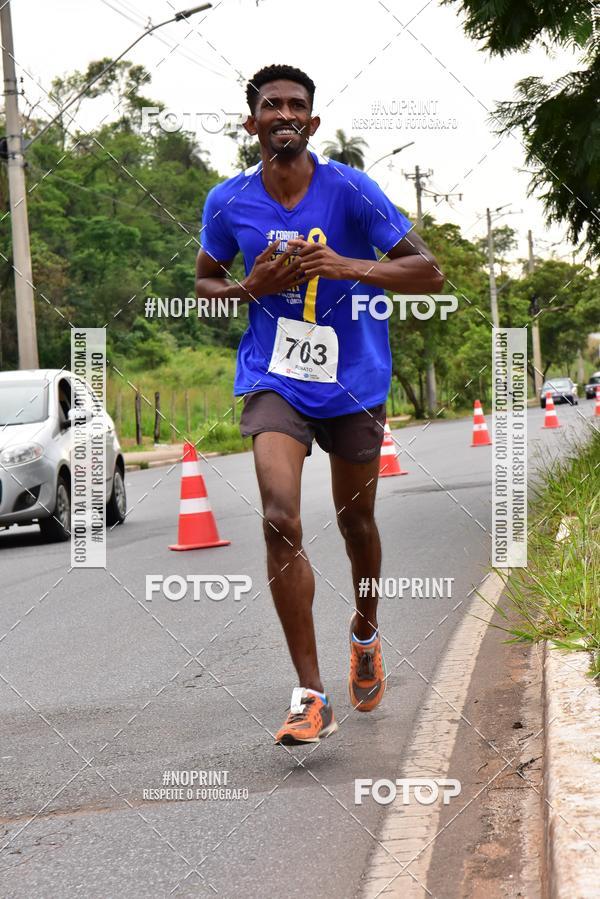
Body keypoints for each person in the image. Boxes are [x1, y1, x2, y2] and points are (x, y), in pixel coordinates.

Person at [196, 64, 444, 745]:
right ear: (251, 124)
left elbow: (427, 270)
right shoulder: (227, 202)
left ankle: (364, 629)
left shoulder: (352, 190)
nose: (283, 112)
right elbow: (204, 285)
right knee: (279, 516)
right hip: (275, 376)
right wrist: (251, 286)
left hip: (355, 379)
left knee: (356, 519)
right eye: (270, 104)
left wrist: (344, 265)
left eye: (295, 105)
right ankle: (310, 693)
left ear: (311, 122)